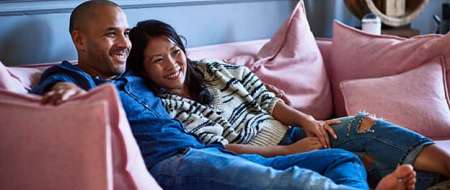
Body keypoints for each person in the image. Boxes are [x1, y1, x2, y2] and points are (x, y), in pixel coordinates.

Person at [31, 1, 417, 189]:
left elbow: (189, 79)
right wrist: (66, 91)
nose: (123, 43)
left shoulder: (137, 80)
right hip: (173, 164)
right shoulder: (72, 77)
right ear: (79, 39)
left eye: (125, 32)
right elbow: (57, 90)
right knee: (291, 182)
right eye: (111, 34)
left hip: (206, 153)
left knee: (341, 160)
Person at [127, 19, 450, 189]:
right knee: (349, 160)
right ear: (143, 68)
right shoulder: (164, 107)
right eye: (158, 60)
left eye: (175, 52)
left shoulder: (213, 70)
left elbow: (266, 100)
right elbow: (223, 150)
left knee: (361, 125)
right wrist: (292, 152)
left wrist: (306, 120)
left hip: (292, 133)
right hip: (266, 158)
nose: (172, 64)